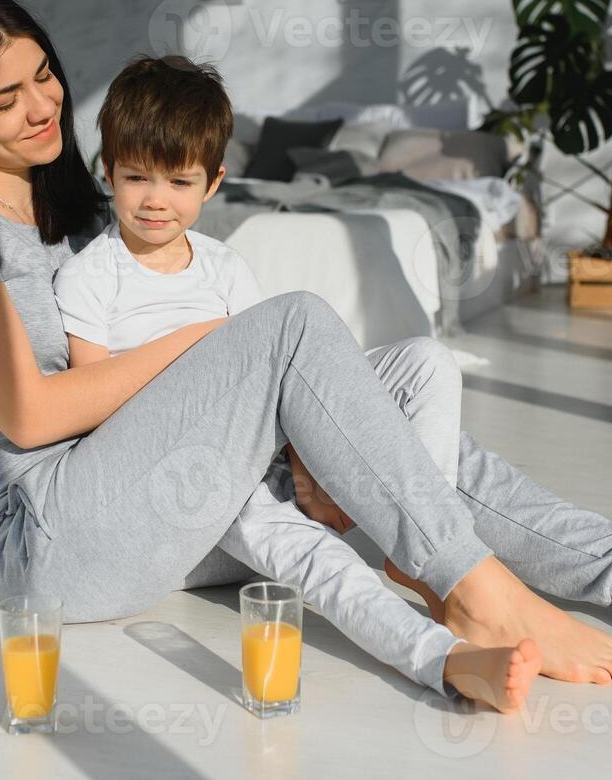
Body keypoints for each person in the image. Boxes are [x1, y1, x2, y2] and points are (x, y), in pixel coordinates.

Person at [0, 0, 612, 709]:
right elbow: (27, 412)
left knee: (379, 414)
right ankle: (473, 589)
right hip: (44, 531)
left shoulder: (73, 203)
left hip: (150, 487)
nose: (42, 105)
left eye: (45, 73)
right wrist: (221, 347)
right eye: (4, 98)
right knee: (294, 329)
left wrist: (265, 398)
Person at [48, 55, 536, 710]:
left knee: (429, 362)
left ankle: (422, 547)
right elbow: (93, 403)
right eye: (135, 178)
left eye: (179, 181)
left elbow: (280, 375)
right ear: (107, 173)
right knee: (316, 559)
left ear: (214, 183)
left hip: (265, 447)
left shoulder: (223, 267)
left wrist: (305, 463)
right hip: (194, 474)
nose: (156, 199)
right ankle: (444, 660)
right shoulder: (92, 275)